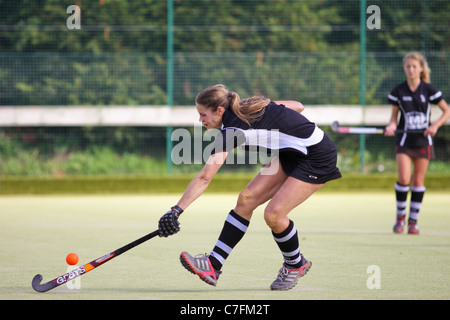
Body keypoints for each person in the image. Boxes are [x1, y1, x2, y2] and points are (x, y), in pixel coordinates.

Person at [158, 84, 341, 290]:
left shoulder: (233, 130)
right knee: (245, 200)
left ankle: (295, 264)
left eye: (203, 115)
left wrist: (176, 210)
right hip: (291, 152)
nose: (201, 120)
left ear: (219, 110)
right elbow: (298, 106)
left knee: (273, 215)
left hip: (317, 157)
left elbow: (204, 178)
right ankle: (213, 264)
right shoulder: (247, 106)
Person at [385, 52, 450, 235]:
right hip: (405, 140)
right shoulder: (399, 91)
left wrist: (435, 126)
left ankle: (413, 222)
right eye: (408, 67)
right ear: (404, 68)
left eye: (414, 66)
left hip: (423, 141)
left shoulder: (429, 89)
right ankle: (400, 218)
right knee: (404, 179)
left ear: (421, 68)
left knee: (418, 181)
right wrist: (391, 127)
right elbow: (393, 118)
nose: (411, 70)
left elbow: (447, 111)